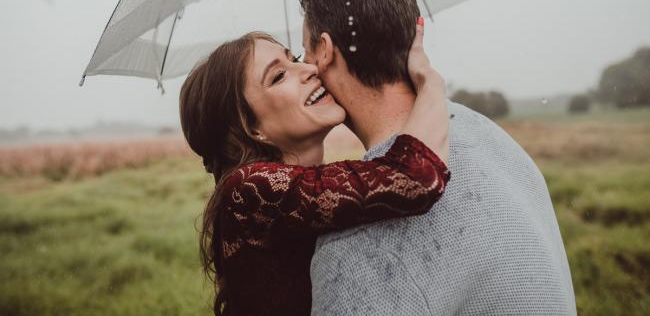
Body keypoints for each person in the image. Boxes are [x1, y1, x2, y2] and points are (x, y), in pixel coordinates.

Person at [300, 0, 576, 315]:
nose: (304, 67)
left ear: (325, 49)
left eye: (303, 51)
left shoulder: (358, 232)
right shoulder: (486, 133)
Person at [178, 27, 451, 316]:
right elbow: (414, 179)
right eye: (278, 76)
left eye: (294, 57)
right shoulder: (249, 187)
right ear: (252, 128)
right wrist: (429, 81)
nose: (308, 68)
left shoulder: (306, 191)